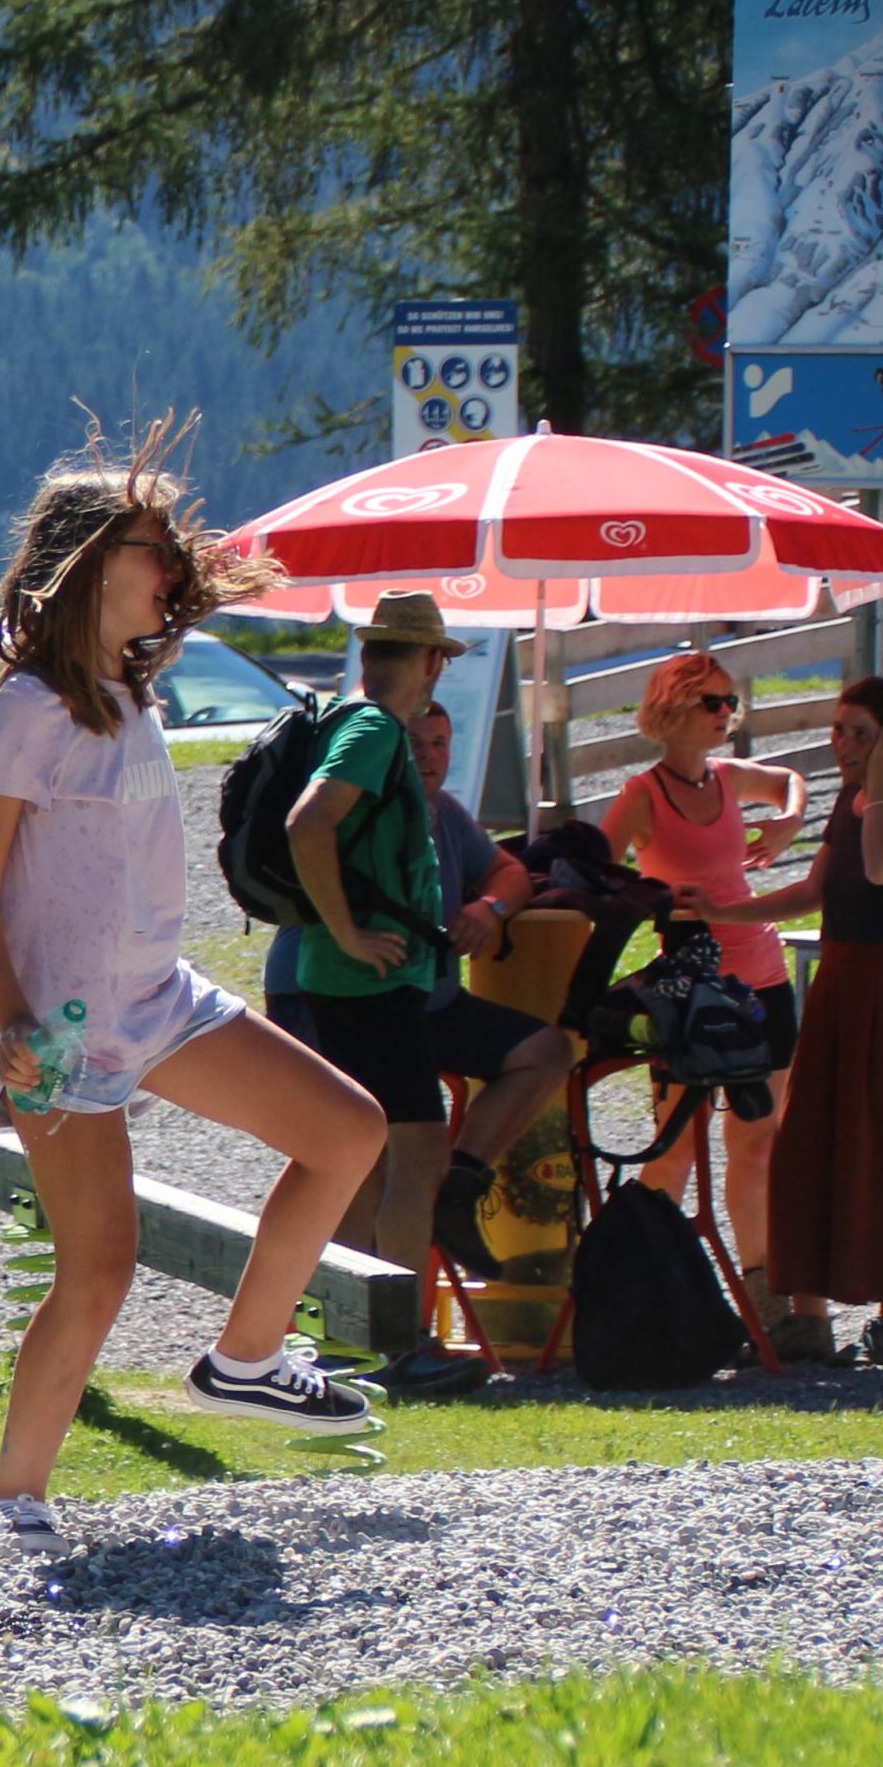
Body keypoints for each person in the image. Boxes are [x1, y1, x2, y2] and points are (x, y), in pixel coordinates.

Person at [0, 429, 387, 1560]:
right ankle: (13, 1502)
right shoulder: (25, 710)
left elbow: (190, 589)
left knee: (348, 1131)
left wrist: (216, 569)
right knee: (98, 1267)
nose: (173, 570)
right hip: (56, 1029)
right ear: (91, 563)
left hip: (158, 999)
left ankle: (245, 1359)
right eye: (153, 549)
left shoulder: (125, 688)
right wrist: (11, 1022)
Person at [259, 593, 571, 1395]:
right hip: (366, 985)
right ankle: (393, 1343)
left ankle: (354, 1339)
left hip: (366, 985)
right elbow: (307, 825)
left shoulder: (360, 727)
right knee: (415, 1156)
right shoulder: (371, 731)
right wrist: (348, 933)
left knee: (370, 1159)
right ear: (430, 661)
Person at [725, 678, 883, 1365]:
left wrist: (880, 787)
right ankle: (809, 1316)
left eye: (860, 733)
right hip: (841, 980)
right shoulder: (850, 804)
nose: (842, 743)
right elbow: (815, 891)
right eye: (838, 729)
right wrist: (720, 911)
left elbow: (882, 867)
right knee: (808, 1139)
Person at [597, 650, 804, 1289]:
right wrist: (654, 899)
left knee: (759, 1144)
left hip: (764, 979)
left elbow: (788, 780)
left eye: (731, 701)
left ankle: (762, 1290)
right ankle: (645, 1291)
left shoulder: (727, 775)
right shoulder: (642, 795)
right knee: (676, 1146)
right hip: (689, 991)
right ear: (672, 710)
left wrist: (790, 822)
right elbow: (597, 877)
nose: (726, 713)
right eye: (711, 702)